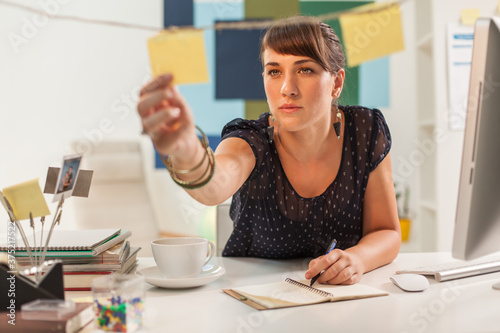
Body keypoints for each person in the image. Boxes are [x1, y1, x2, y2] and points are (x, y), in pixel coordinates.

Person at [138, 16, 401, 285]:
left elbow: (387, 231)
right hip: (251, 300)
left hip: (340, 300)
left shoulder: (365, 130)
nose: (287, 89)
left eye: (305, 70)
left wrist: (357, 259)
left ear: (336, 83)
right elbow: (212, 187)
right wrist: (186, 149)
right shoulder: (251, 138)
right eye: (275, 71)